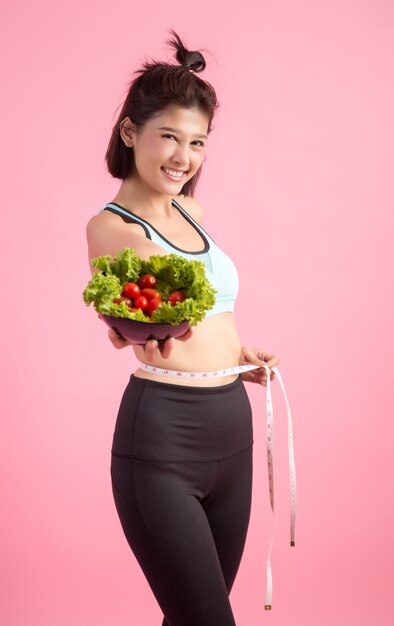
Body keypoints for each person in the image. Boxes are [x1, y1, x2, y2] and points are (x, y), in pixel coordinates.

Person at [86, 30, 279, 626]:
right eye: (168, 135)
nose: (183, 156)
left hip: (231, 428)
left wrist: (239, 356)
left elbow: (208, 310)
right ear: (129, 133)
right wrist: (131, 332)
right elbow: (136, 318)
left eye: (196, 142)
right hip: (163, 438)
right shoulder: (111, 228)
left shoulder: (191, 211)